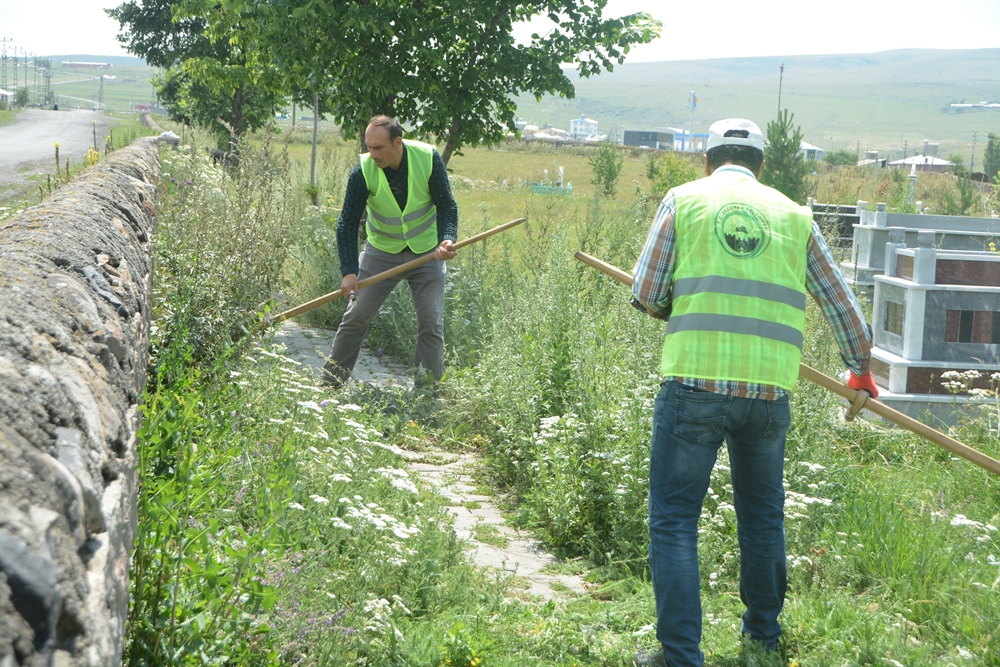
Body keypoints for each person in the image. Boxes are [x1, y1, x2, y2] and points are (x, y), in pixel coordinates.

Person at [630, 118, 877, 667]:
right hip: (769, 392)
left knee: (675, 519)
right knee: (763, 516)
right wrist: (858, 370)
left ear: (708, 160)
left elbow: (646, 293)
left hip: (693, 383)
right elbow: (843, 307)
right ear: (761, 166)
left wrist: (676, 304)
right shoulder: (795, 215)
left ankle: (679, 656)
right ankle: (763, 638)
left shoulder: (683, 200)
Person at [321, 115, 458, 387]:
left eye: (378, 148)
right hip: (381, 252)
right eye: (369, 147)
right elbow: (347, 223)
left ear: (397, 142)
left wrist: (447, 239)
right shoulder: (362, 172)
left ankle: (427, 391)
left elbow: (447, 206)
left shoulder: (428, 159)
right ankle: (330, 384)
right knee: (356, 316)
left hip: (427, 252)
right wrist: (349, 272)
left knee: (431, 322)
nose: (372, 154)